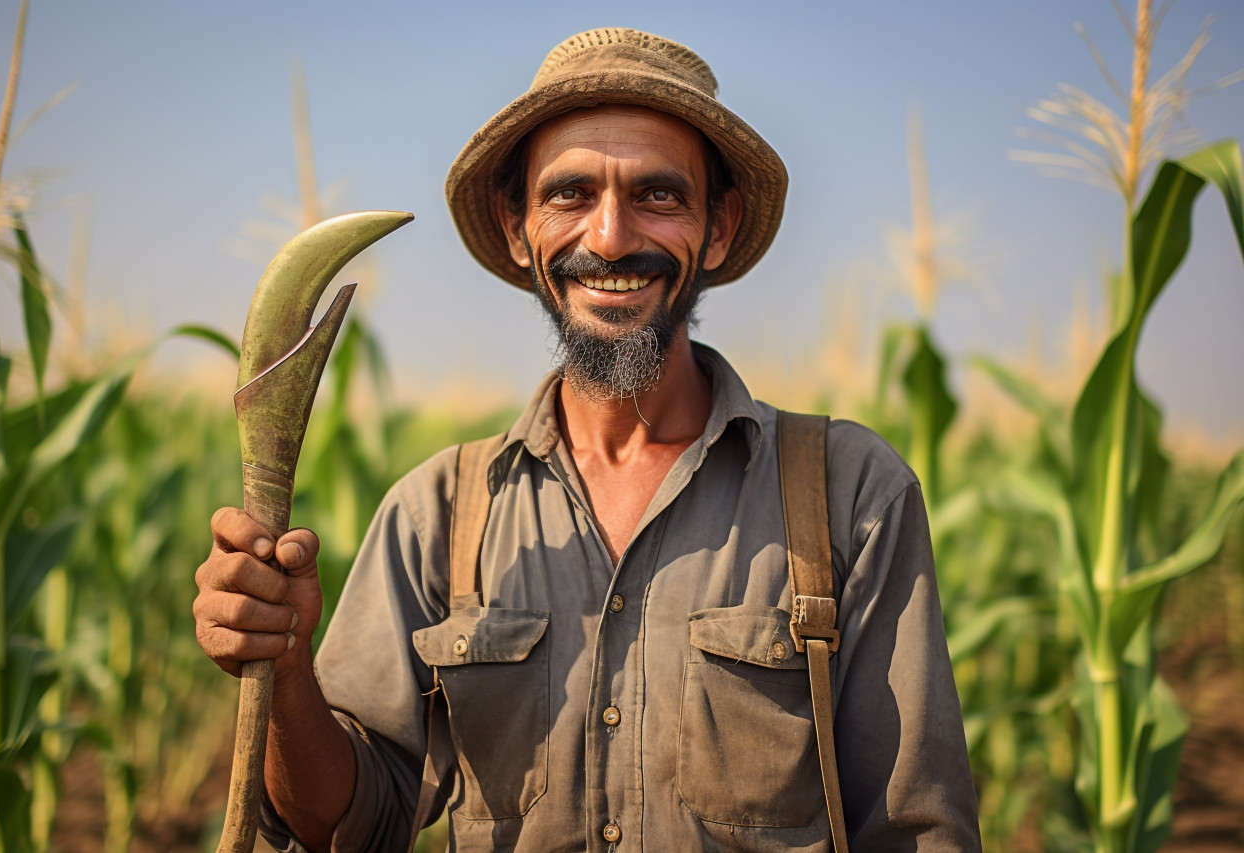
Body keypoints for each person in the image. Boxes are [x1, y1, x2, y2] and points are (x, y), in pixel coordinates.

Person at [194, 28, 981, 852]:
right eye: (569, 195)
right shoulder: (437, 516)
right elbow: (349, 825)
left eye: (659, 195)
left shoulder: (850, 497)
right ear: (516, 228)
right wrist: (284, 669)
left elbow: (917, 831)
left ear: (718, 227)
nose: (609, 239)